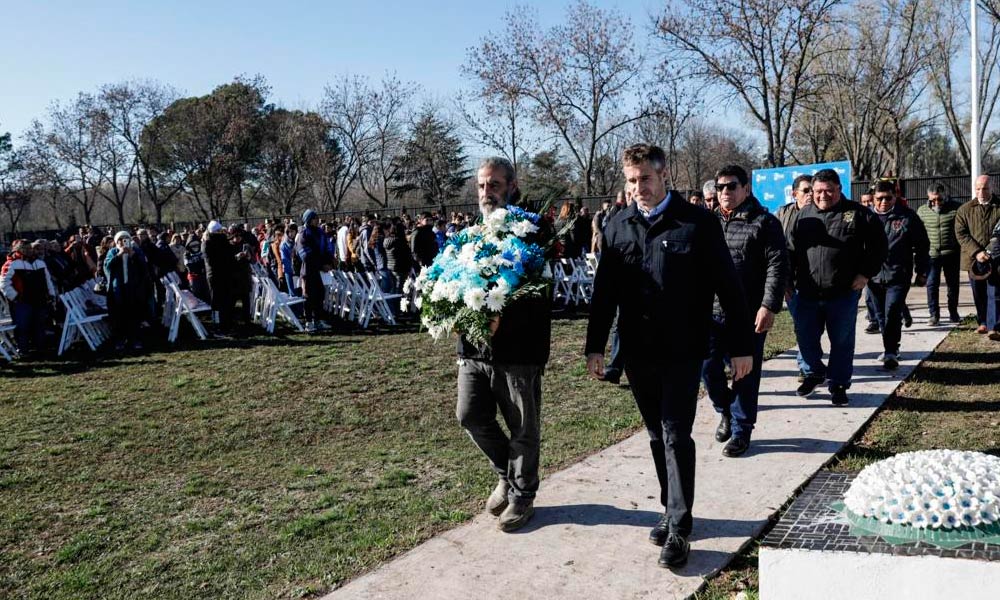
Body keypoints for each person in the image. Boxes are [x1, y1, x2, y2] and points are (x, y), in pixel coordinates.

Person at [586, 144, 753, 569]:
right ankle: (669, 507)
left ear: (663, 176)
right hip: (638, 350)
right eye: (631, 180)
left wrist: (740, 347)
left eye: (645, 178)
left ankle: (680, 526)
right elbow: (605, 293)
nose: (637, 187)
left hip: (683, 348)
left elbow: (729, 288)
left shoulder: (696, 223)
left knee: (676, 433)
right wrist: (595, 346)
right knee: (656, 434)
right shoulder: (618, 225)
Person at [456, 156, 552, 533]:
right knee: (469, 414)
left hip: (518, 349)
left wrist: (503, 315)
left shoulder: (533, 232)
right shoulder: (469, 235)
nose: (486, 192)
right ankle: (506, 474)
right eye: (482, 185)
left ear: (512, 187)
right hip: (474, 348)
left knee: (522, 426)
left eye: (494, 185)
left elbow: (540, 290)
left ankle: (523, 495)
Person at [702, 165, 788, 457]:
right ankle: (724, 409)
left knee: (744, 374)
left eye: (731, 186)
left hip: (748, 313)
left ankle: (741, 430)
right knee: (706, 366)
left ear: (746, 188)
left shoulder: (765, 223)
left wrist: (768, 305)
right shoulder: (707, 222)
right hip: (711, 312)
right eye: (720, 187)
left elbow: (777, 266)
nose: (725, 192)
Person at [786, 169, 888, 405]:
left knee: (841, 342)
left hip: (842, 293)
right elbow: (789, 251)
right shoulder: (802, 216)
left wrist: (865, 274)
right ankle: (814, 373)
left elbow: (879, 246)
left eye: (829, 191)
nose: (823, 196)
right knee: (805, 338)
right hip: (807, 293)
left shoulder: (858, 214)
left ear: (839, 189)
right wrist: (786, 282)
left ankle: (839, 384)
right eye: (818, 191)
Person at [867, 181, 930, 369]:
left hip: (898, 275)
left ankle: (890, 352)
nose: (884, 202)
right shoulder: (866, 217)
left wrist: (922, 271)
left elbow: (922, 245)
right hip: (873, 276)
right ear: (873, 199)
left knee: (893, 311)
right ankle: (891, 347)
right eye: (879, 198)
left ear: (895, 197)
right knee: (880, 315)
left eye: (888, 198)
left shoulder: (907, 217)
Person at [955, 175, 1000, 339]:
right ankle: (983, 322)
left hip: (996, 258)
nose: (981, 192)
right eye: (978, 189)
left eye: (985, 188)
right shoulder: (965, 210)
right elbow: (961, 234)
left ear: (992, 188)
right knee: (978, 292)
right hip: (973, 260)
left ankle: (994, 327)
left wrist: (990, 250)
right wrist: (977, 252)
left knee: (994, 291)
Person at [916, 182, 962, 325]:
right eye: (933, 200)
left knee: (952, 285)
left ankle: (953, 313)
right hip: (932, 255)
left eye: (940, 199)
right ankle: (934, 314)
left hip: (951, 253)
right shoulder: (922, 211)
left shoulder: (956, 208)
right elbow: (918, 235)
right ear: (928, 197)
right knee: (931, 285)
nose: (936, 202)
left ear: (945, 196)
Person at [1, 239, 56, 355]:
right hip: (22, 301)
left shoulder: (40, 263)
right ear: (17, 249)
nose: (28, 250)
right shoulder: (11, 263)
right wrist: (15, 297)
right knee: (23, 327)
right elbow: (3, 283)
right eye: (24, 248)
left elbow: (48, 280)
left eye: (29, 247)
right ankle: (23, 350)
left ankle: (41, 349)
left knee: (40, 325)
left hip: (40, 299)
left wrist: (51, 294)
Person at [104, 231, 152, 351]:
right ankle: (120, 340)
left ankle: (135, 339)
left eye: (126, 239)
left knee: (134, 315)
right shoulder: (113, 252)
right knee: (119, 316)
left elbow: (144, 267)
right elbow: (107, 267)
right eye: (120, 239)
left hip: (134, 288)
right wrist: (119, 255)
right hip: (118, 289)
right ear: (116, 241)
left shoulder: (136, 251)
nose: (123, 241)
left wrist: (133, 255)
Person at [295, 209, 332, 332]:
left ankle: (318, 320)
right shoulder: (303, 234)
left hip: (318, 271)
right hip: (308, 271)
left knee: (320, 295)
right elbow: (305, 256)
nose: (317, 220)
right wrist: (321, 265)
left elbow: (326, 249)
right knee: (308, 296)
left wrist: (328, 262)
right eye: (315, 218)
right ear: (309, 220)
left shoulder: (320, 233)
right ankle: (309, 322)